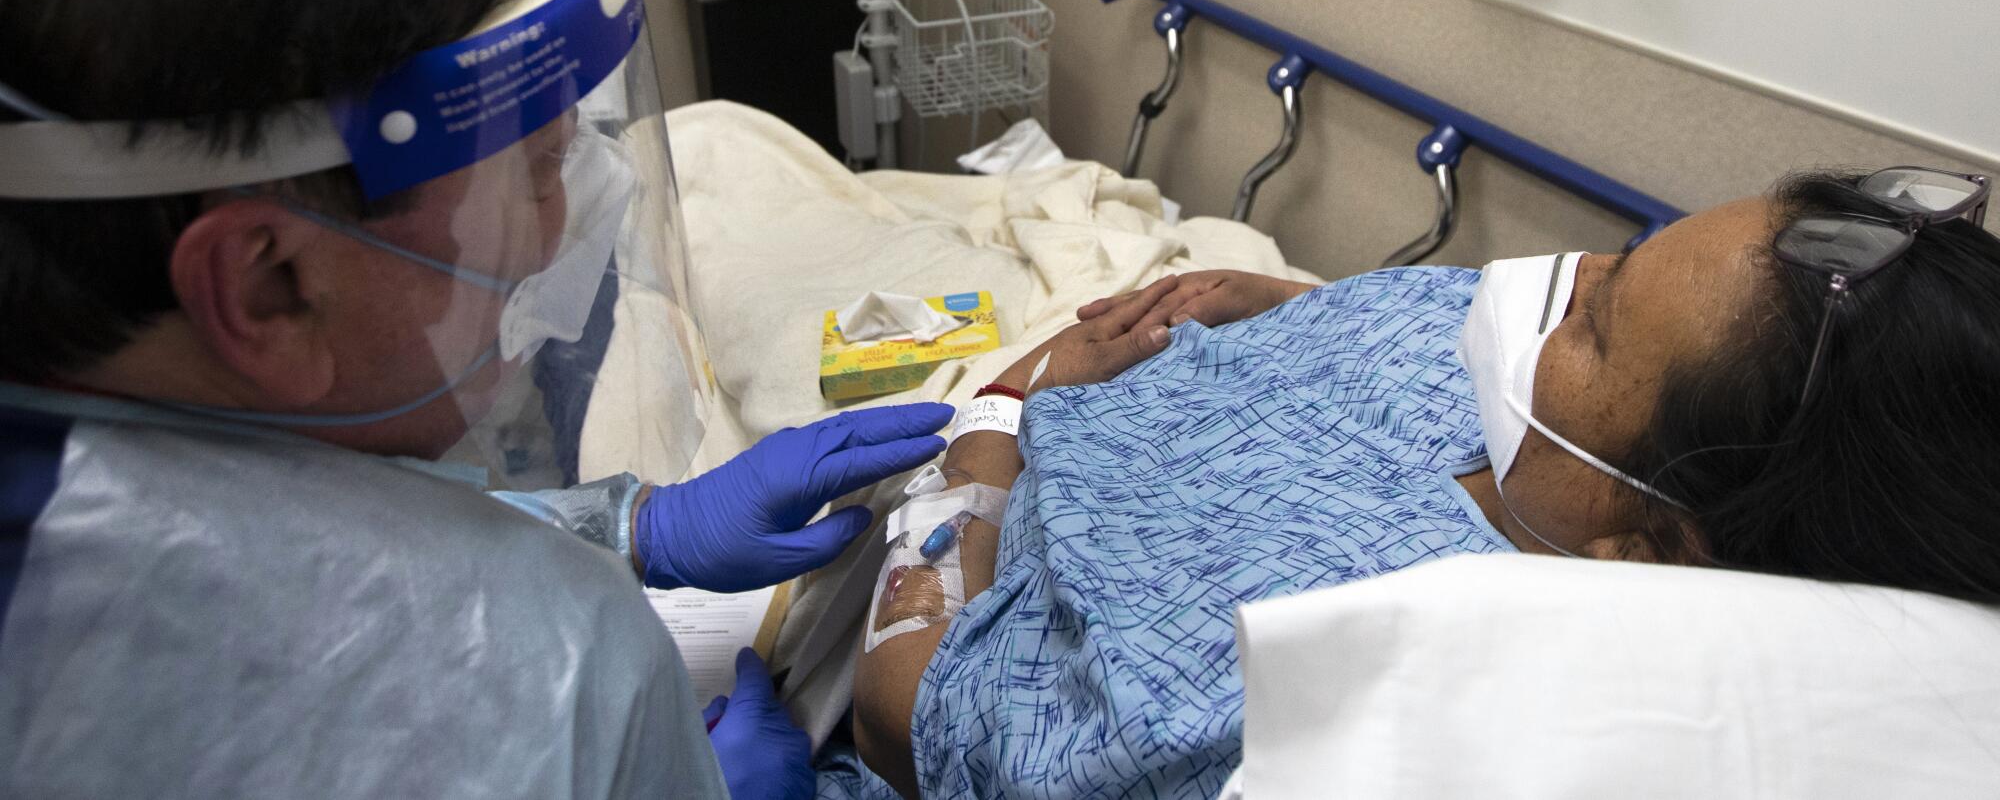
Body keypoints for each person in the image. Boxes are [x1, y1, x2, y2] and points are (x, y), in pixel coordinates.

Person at [0, 0, 950, 799]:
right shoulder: (546, 674)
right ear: (271, 285)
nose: (575, 214)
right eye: (538, 166)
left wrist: (630, 527)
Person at [839, 170, 2000, 799]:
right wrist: (1296, 306)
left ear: (1645, 546)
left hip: (1008, 445)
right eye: (1621, 252)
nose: (1560, 279)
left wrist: (987, 429)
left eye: (1594, 321)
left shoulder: (1313, 681)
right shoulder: (1536, 409)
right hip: (1136, 356)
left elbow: (908, 715)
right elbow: (1430, 320)